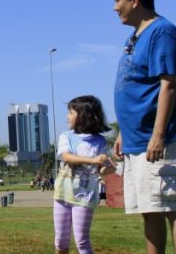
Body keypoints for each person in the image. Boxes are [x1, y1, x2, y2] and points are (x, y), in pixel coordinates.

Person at [111, 0, 176, 254]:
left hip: (157, 137)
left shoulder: (162, 31)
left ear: (134, 0)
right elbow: (134, 86)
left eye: (117, 0)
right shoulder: (134, 37)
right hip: (135, 138)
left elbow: (168, 84)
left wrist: (158, 135)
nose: (114, 7)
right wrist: (123, 130)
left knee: (172, 206)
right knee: (150, 208)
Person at [54, 95, 116, 254]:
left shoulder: (100, 141)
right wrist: (93, 160)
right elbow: (66, 157)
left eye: (71, 112)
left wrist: (110, 167)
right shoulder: (66, 136)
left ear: (84, 116)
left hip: (84, 197)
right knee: (61, 241)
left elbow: (101, 170)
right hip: (62, 195)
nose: (67, 116)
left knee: (82, 241)